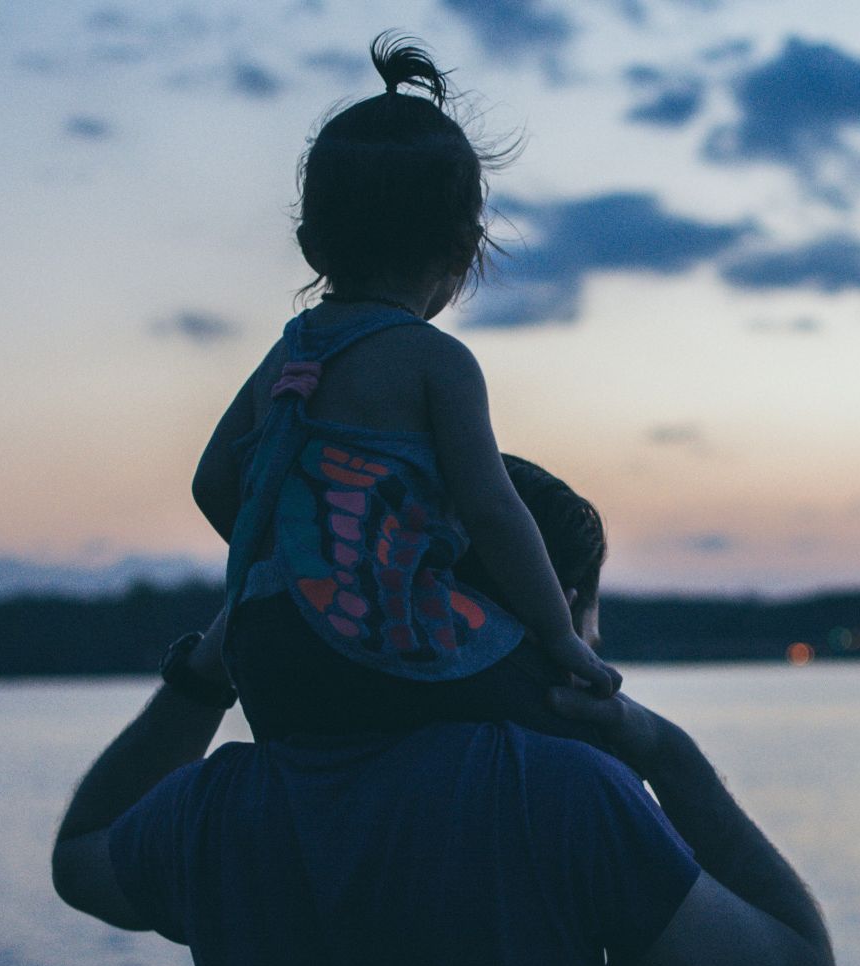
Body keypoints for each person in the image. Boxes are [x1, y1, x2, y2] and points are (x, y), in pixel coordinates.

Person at [51, 456, 852, 966]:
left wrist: (208, 669)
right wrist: (668, 755)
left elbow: (82, 857)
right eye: (589, 632)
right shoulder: (557, 796)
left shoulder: (220, 809)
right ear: (556, 612)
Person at [191, 34, 618, 751]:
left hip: (265, 653)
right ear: (463, 250)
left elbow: (212, 485)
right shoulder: (435, 360)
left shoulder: (287, 356)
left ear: (310, 246)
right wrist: (558, 635)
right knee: (571, 725)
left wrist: (302, 558)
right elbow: (493, 510)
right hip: (381, 638)